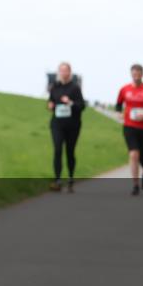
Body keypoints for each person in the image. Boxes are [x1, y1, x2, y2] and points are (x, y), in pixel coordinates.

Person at [115, 64, 143, 196]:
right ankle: (135, 184)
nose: (136, 76)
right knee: (133, 154)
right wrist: (119, 112)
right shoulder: (124, 89)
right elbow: (118, 104)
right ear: (131, 74)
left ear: (142, 74)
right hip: (130, 126)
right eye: (133, 74)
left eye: (138, 74)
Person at [47, 63, 86, 193]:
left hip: (72, 125)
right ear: (58, 72)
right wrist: (50, 105)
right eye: (61, 71)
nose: (63, 73)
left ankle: (70, 178)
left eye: (66, 71)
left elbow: (82, 106)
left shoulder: (75, 88)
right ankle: (57, 180)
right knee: (57, 149)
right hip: (57, 123)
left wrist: (70, 102)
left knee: (70, 152)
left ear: (70, 72)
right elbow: (50, 101)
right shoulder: (54, 87)